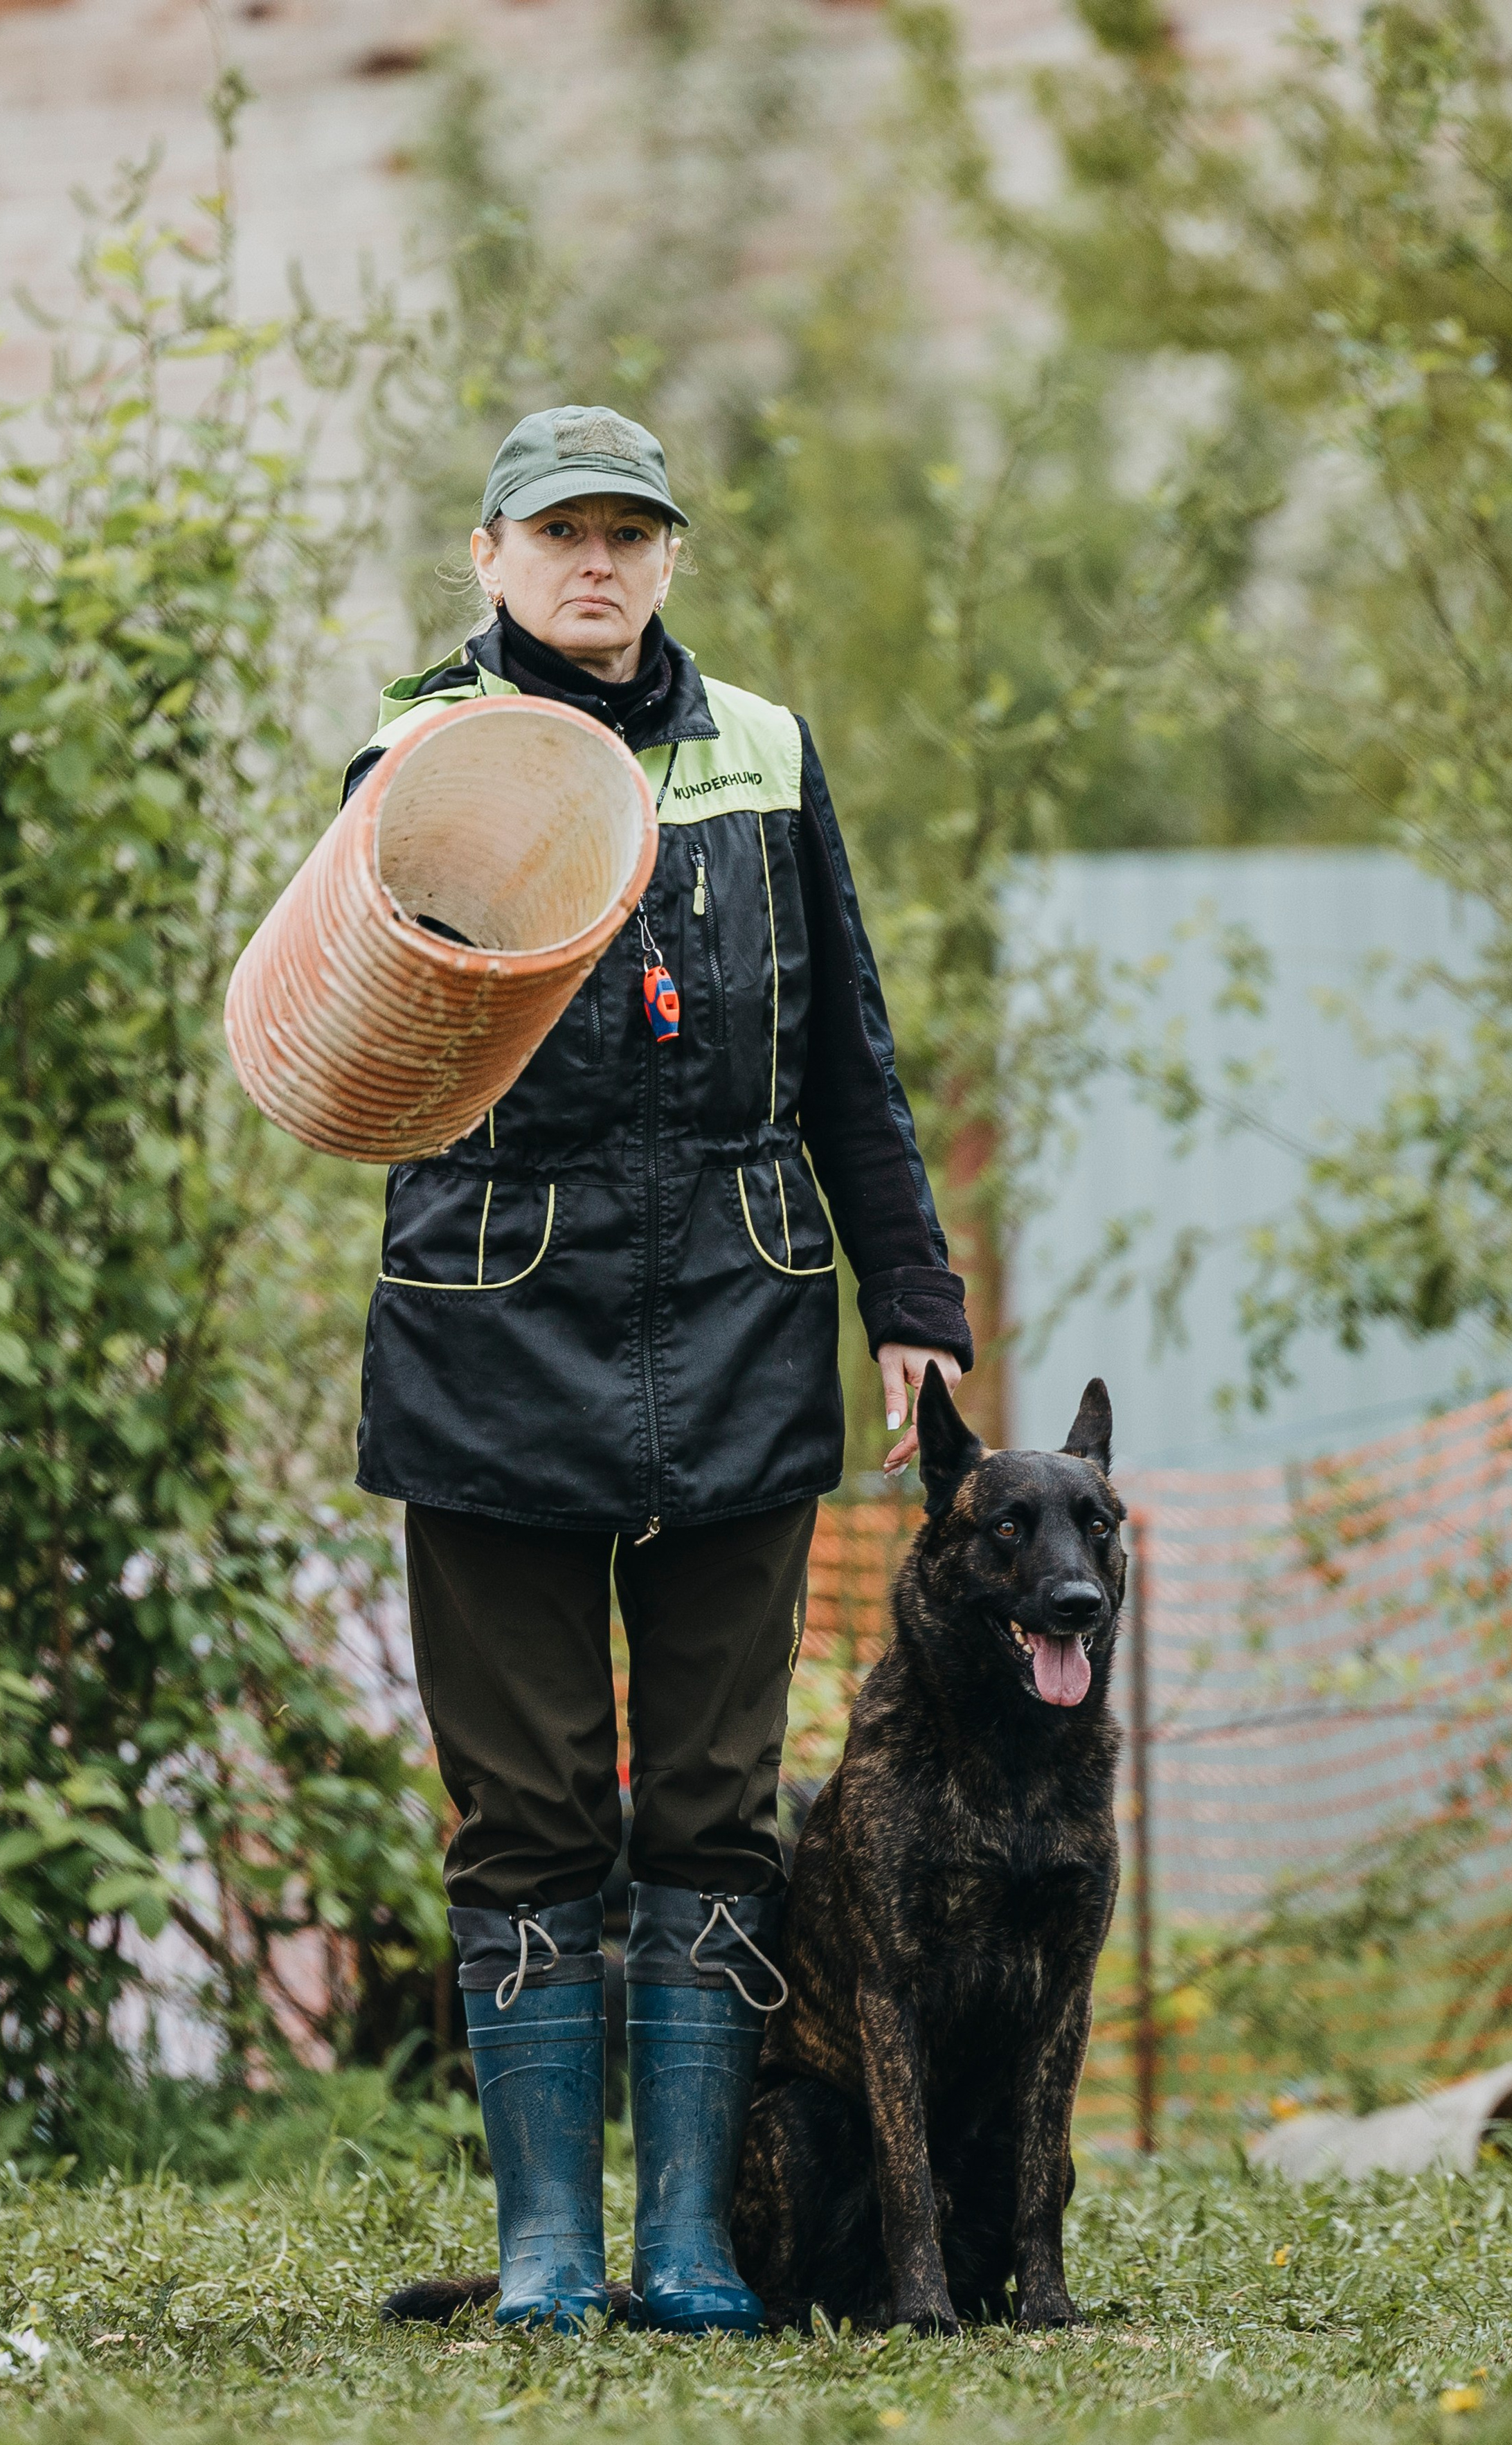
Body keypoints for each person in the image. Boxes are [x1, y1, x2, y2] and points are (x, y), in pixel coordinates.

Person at [346, 404, 971, 2335]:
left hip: (738, 1329)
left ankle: (691, 2241)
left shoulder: (767, 754)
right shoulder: (414, 754)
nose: (596, 564)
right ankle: (549, 2246)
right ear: (490, 557)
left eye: (631, 532)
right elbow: (353, 1051)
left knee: (714, 1809)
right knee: (526, 1813)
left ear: (672, 559)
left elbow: (849, 1053)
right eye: (561, 533)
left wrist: (915, 1301)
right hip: (487, 1337)